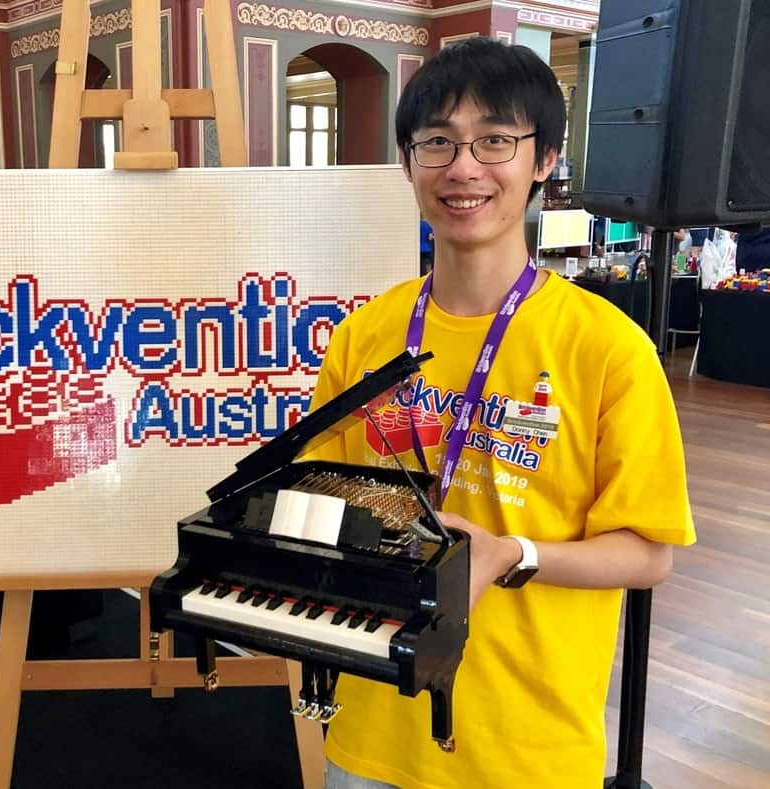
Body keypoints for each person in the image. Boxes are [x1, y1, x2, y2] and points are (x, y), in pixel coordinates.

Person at [309, 37, 695, 789]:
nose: (463, 168)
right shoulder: (366, 335)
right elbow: (317, 486)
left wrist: (512, 553)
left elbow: (649, 554)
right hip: (373, 725)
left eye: (495, 140)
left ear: (544, 159)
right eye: (437, 143)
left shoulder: (608, 348)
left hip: (528, 747)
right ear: (407, 162)